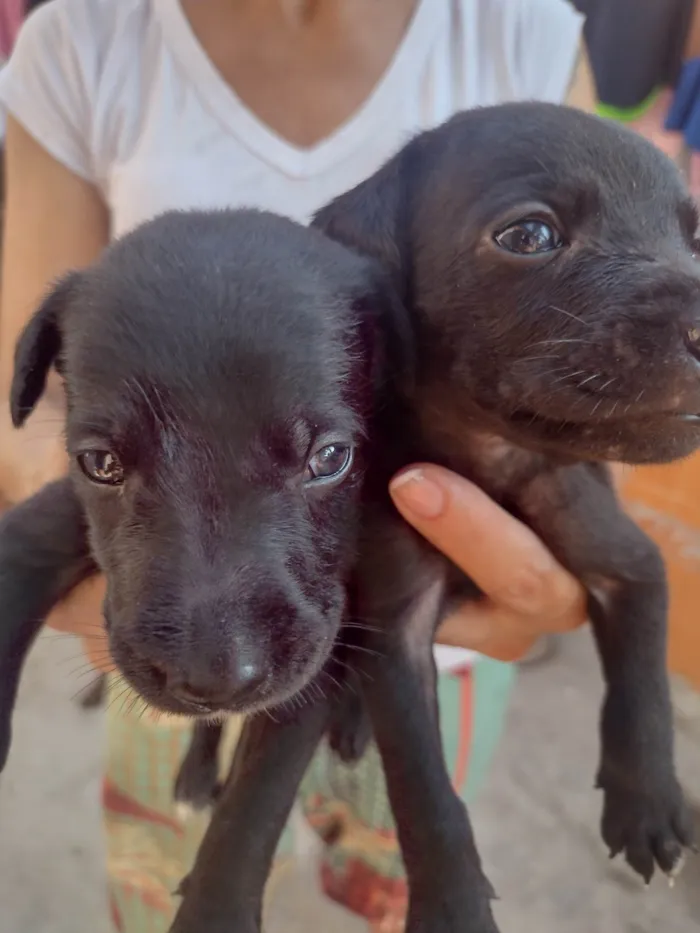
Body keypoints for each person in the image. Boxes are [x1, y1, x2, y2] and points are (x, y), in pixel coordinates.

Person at [0, 1, 594, 929]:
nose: (225, 662)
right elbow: (30, 422)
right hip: (146, 668)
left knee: (407, 894)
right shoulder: (85, 42)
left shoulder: (516, 31)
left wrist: (570, 561)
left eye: (323, 455)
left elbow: (589, 370)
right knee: (170, 898)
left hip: (441, 659)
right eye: (111, 459)